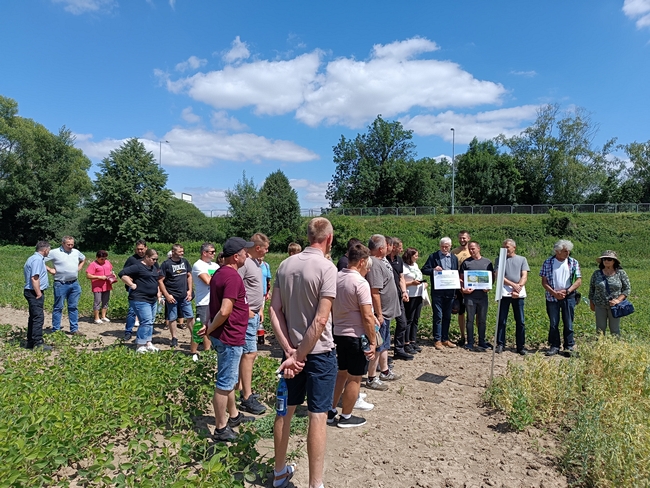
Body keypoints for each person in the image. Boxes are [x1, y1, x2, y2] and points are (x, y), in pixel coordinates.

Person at [270, 217, 338, 488]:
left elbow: (274, 310)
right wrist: (299, 355)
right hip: (319, 353)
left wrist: (289, 350)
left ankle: (278, 473)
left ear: (308, 236)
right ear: (329, 239)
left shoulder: (285, 265)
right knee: (318, 415)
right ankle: (315, 483)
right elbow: (321, 320)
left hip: (289, 355)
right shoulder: (327, 267)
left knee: (284, 410)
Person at [199, 237, 255, 442]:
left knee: (229, 379)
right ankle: (221, 428)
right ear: (235, 256)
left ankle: (234, 416)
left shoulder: (220, 273)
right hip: (229, 336)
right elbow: (224, 310)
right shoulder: (232, 277)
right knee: (224, 383)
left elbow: (214, 304)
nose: (247, 255)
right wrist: (210, 328)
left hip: (224, 335)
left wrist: (209, 326)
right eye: (244, 252)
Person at [329, 243, 376, 428]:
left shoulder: (336, 277)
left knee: (340, 374)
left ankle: (331, 411)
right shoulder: (360, 283)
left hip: (338, 332)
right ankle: (346, 416)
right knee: (355, 377)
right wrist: (372, 341)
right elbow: (367, 315)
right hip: (356, 335)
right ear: (362, 261)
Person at [237, 233, 271, 416]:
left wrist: (258, 309)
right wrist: (246, 309)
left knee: (247, 353)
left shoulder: (256, 263)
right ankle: (246, 397)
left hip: (253, 314)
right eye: (265, 248)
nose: (267, 251)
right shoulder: (245, 263)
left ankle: (243, 390)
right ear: (257, 248)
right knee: (250, 353)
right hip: (246, 315)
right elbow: (235, 286)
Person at [365, 234, 402, 390]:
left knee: (385, 343)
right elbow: (375, 292)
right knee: (378, 344)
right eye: (387, 245)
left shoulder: (382, 261)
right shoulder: (374, 264)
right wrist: (378, 314)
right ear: (381, 249)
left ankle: (385, 371)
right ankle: (371, 377)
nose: (390, 247)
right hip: (382, 314)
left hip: (387, 312)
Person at [540, 240, 582, 356]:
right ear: (557, 251)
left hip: (569, 297)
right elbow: (544, 282)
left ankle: (569, 347)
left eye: (568, 251)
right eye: (565, 251)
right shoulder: (548, 262)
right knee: (554, 323)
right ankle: (554, 346)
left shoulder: (573, 262)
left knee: (568, 323)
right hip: (552, 297)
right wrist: (554, 293)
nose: (567, 253)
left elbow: (578, 280)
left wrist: (567, 291)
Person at [119, 249, 162, 353]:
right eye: (153, 259)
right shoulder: (138, 266)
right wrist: (131, 284)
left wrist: (158, 293)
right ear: (146, 257)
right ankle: (140, 344)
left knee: (150, 321)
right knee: (145, 321)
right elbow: (122, 274)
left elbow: (156, 281)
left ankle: (148, 342)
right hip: (140, 298)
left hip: (152, 299)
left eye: (156, 259)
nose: (155, 261)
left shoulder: (154, 267)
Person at [422, 237, 459, 350]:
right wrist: (433, 269)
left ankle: (445, 339)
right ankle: (437, 339)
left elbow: (456, 273)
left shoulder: (454, 258)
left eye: (446, 246)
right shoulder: (433, 257)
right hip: (438, 291)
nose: (444, 248)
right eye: (442, 246)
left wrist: (456, 290)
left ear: (450, 246)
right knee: (438, 316)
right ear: (440, 246)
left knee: (447, 316)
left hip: (450, 291)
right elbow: (424, 269)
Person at [495, 239, 530, 355]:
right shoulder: (499, 260)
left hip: (518, 293)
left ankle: (521, 346)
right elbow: (499, 276)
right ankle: (500, 344)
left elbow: (524, 275)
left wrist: (518, 287)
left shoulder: (522, 259)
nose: (506, 249)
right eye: (504, 247)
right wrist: (513, 285)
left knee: (520, 320)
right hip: (504, 292)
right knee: (502, 319)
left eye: (508, 247)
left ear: (514, 248)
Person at [44, 236, 86, 335]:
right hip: (60, 283)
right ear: (63, 243)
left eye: (72, 244)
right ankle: (56, 330)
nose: (71, 246)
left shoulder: (75, 252)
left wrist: (78, 268)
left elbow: (83, 259)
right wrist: (50, 269)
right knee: (58, 307)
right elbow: (41, 260)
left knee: (73, 307)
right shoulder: (54, 252)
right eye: (68, 244)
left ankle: (74, 329)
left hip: (74, 283)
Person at [459, 242, 493, 352]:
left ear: (479, 248)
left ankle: (482, 341)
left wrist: (488, 287)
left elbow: (492, 278)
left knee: (482, 320)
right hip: (470, 297)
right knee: (470, 320)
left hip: (483, 296)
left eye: (473, 248)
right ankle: (470, 342)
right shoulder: (466, 263)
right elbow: (461, 279)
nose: (471, 251)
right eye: (469, 249)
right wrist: (463, 289)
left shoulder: (487, 262)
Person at [158, 244, 194, 348]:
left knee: (190, 316)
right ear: (173, 252)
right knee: (172, 317)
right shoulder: (166, 264)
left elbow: (189, 276)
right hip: (172, 296)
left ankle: (194, 337)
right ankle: (174, 337)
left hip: (184, 295)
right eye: (180, 252)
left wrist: (190, 290)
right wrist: (166, 295)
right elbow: (160, 281)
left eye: (182, 251)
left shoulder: (185, 262)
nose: (182, 253)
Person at [588, 250, 631, 336]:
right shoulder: (596, 274)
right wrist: (592, 303)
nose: (606, 261)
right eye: (604, 259)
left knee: (615, 329)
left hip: (615, 306)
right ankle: (600, 346)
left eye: (609, 259)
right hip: (600, 305)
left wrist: (618, 300)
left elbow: (627, 289)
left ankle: (615, 346)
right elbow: (592, 290)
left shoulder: (621, 273)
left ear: (614, 261)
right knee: (600, 329)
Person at [387, 237, 414, 359]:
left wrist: (404, 292)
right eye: (400, 247)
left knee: (402, 323)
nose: (402, 249)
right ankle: (382, 351)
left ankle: (399, 349)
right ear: (393, 247)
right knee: (385, 325)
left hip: (398, 296)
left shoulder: (399, 260)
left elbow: (401, 277)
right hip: (387, 297)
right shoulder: (384, 260)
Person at [191, 242, 218, 359]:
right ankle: (193, 352)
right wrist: (217, 279)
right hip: (203, 301)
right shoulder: (198, 265)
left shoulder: (215, 266)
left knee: (210, 328)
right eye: (211, 252)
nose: (214, 254)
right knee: (200, 327)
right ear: (204, 253)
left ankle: (208, 352)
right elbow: (207, 281)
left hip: (214, 301)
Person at [23, 241, 52, 351]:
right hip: (34, 292)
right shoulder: (37, 260)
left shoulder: (34, 258)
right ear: (45, 250)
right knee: (38, 317)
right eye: (48, 250)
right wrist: (39, 293)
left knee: (34, 316)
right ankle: (37, 342)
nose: (48, 252)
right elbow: (35, 278)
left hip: (31, 291)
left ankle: (30, 341)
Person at [122, 239, 148, 340]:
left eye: (142, 249)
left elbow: (156, 272)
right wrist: (131, 283)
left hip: (147, 288)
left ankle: (145, 331)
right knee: (132, 311)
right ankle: (128, 331)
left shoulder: (149, 258)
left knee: (147, 311)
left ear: (146, 248)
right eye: (138, 249)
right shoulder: (131, 259)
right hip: (135, 289)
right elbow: (124, 273)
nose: (140, 251)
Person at [402, 247, 425, 353]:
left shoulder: (415, 265)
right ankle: (406, 342)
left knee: (416, 319)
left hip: (419, 294)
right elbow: (400, 282)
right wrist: (412, 283)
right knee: (409, 319)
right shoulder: (403, 266)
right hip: (409, 294)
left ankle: (413, 340)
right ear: (410, 256)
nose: (417, 257)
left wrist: (423, 283)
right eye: (415, 255)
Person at [452, 231, 471, 346]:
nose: (462, 240)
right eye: (460, 238)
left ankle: (473, 335)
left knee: (474, 312)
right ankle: (462, 336)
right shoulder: (454, 252)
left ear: (468, 238)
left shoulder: (472, 251)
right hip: (458, 285)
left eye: (464, 238)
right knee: (461, 311)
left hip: (472, 286)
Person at [85, 250, 115, 324]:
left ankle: (104, 316)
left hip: (107, 284)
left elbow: (111, 270)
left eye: (105, 258)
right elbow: (88, 275)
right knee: (97, 301)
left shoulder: (107, 262)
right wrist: (99, 277)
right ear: (97, 257)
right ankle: (96, 317)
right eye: (102, 259)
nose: (104, 260)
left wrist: (113, 274)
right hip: (97, 286)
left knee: (106, 301)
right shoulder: (93, 264)